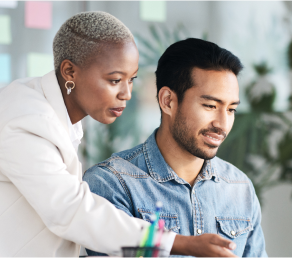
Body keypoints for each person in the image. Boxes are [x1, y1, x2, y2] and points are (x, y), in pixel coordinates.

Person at [0, 12, 237, 258]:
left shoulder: (53, 116)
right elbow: (70, 210)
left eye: (131, 80)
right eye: (114, 80)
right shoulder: (23, 121)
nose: (126, 94)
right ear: (69, 71)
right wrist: (179, 243)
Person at [84, 38, 269, 257]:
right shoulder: (112, 184)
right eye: (210, 106)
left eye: (231, 110)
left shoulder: (239, 188)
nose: (222, 124)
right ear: (168, 101)